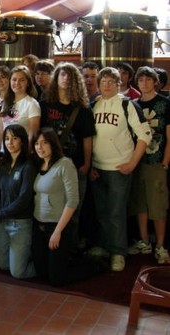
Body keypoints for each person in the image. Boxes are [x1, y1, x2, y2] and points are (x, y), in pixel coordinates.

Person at [88, 67, 152, 272]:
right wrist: (89, 165)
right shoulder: (93, 105)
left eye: (111, 81)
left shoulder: (127, 105)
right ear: (98, 85)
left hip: (119, 167)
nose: (106, 85)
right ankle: (105, 246)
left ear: (119, 84)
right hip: (97, 167)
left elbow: (144, 135)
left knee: (116, 212)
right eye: (103, 81)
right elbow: (88, 138)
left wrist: (132, 163)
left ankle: (118, 252)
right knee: (101, 211)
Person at [31, 128, 104, 286]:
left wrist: (58, 231)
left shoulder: (65, 164)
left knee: (57, 279)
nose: (40, 147)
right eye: (37, 143)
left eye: (44, 142)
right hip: (38, 225)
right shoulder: (39, 164)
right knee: (42, 274)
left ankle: (94, 265)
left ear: (53, 144)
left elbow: (73, 200)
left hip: (57, 226)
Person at [40, 62, 95, 247]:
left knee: (73, 211)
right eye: (62, 75)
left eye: (70, 76)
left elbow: (88, 140)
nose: (66, 79)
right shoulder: (45, 105)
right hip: (50, 165)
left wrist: (87, 164)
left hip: (75, 164)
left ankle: (70, 249)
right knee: (49, 207)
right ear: (56, 78)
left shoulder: (83, 109)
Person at [0, 124, 36, 279]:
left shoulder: (28, 166)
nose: (10, 142)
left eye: (15, 138)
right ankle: (21, 257)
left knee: (18, 272)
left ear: (22, 142)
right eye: (7, 139)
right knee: (4, 265)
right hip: (2, 223)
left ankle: (43, 265)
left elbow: (23, 201)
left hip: (20, 224)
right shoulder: (3, 165)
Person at [128, 66, 170, 264]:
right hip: (137, 161)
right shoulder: (133, 104)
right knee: (140, 203)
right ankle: (144, 241)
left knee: (158, 204)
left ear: (155, 82)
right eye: (141, 80)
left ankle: (161, 245)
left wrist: (165, 163)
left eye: (148, 80)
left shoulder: (165, 104)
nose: (144, 84)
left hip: (156, 161)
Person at [0, 65, 40, 160]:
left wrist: (24, 156)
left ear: (28, 83)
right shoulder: (5, 103)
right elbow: (0, 131)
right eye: (14, 79)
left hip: (22, 155)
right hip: (5, 154)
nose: (17, 83)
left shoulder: (32, 104)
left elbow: (32, 135)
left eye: (22, 80)